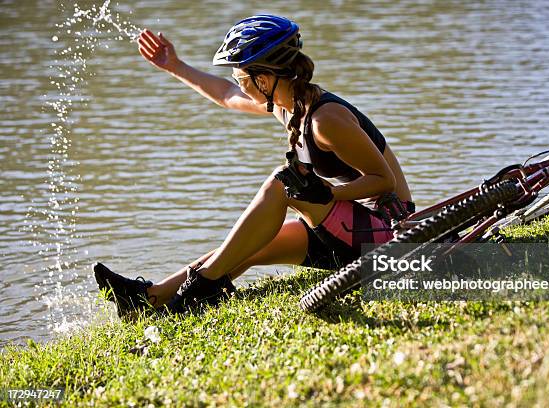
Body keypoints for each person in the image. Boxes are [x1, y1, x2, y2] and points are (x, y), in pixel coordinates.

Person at [94, 15, 414, 316]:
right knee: (251, 245)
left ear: (263, 79)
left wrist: (329, 192)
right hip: (351, 227)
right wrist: (175, 66)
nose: (238, 84)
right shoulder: (288, 103)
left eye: (241, 77)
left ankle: (201, 287)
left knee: (284, 182)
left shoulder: (325, 120)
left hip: (387, 237)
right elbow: (226, 95)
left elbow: (382, 181)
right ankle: (149, 298)